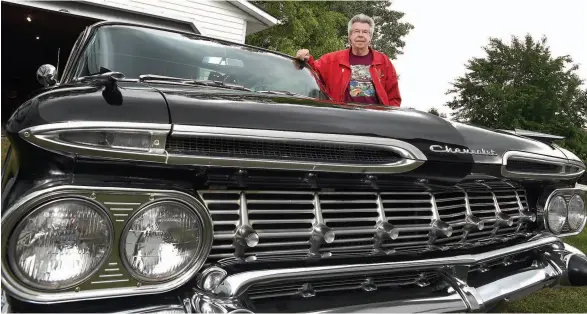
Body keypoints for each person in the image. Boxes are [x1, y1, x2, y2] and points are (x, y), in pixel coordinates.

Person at [295, 14, 401, 107]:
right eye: (356, 31)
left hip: (374, 120)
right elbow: (313, 70)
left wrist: (388, 120)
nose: (360, 35)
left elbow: (394, 98)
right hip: (342, 119)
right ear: (350, 35)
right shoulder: (332, 60)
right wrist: (306, 58)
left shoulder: (383, 61)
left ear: (370, 37)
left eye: (365, 32)